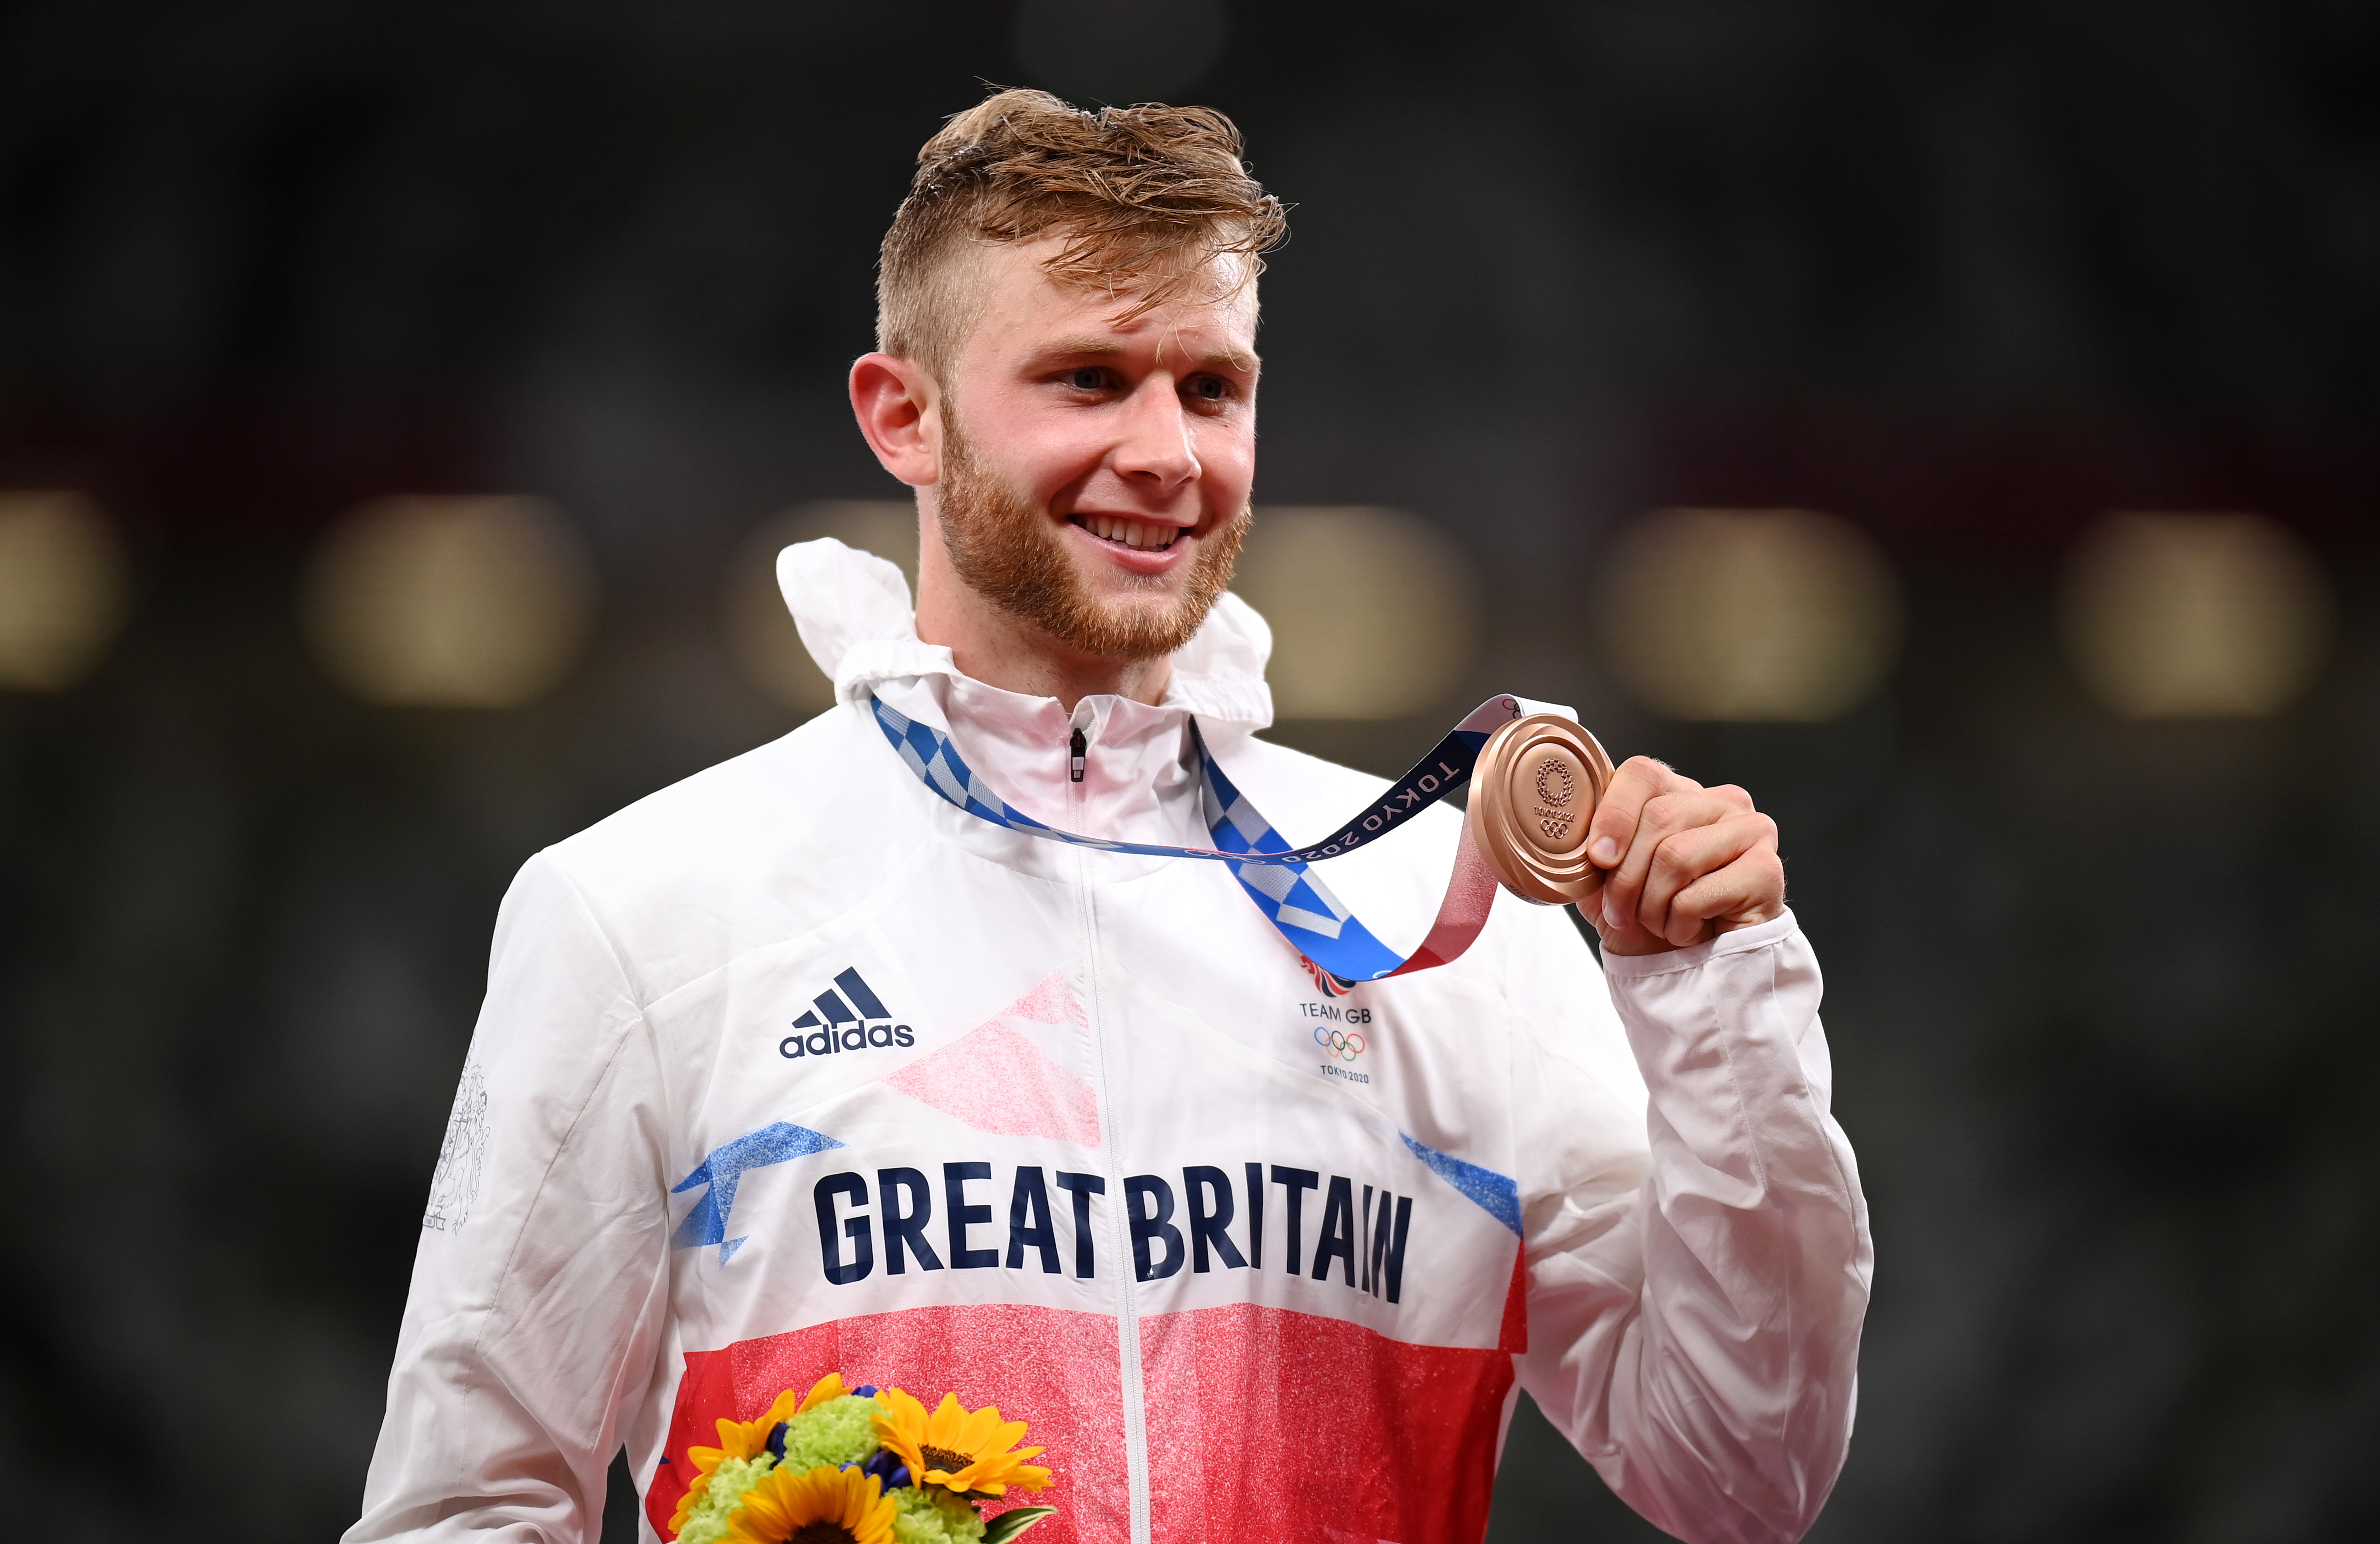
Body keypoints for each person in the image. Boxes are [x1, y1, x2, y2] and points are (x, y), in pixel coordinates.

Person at [349, 88, 1870, 1544]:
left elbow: (1744, 1478)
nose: (1166, 453)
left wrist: (1714, 1000)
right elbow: (466, 1511)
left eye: (1212, 389)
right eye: (1090, 378)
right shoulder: (644, 912)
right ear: (905, 416)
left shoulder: (1448, 920)